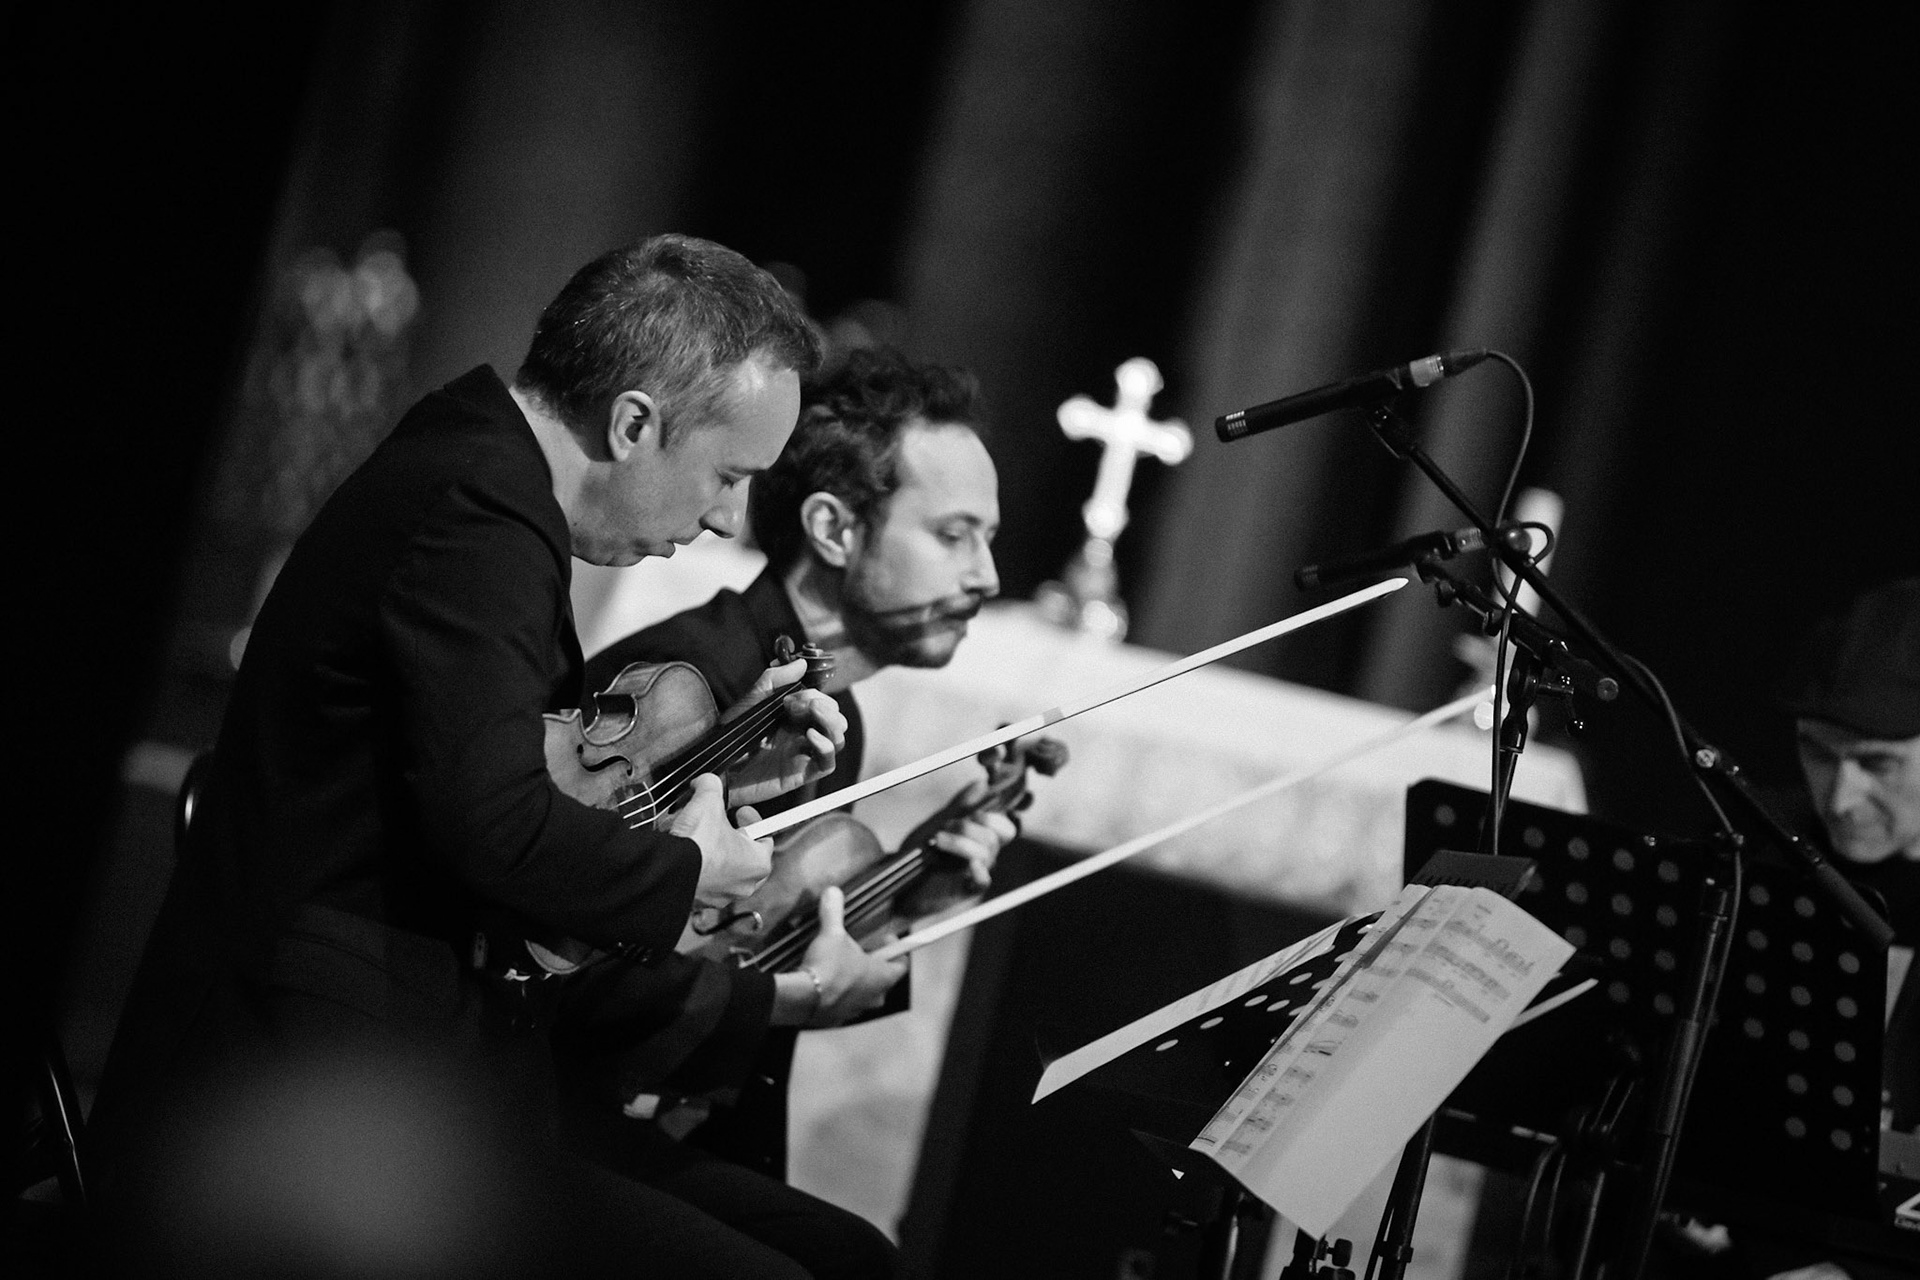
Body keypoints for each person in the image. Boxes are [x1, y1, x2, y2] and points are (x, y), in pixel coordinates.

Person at [89, 234, 869, 1279]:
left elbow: (492, 794)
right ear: (633, 424)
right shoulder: (478, 516)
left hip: (386, 1060)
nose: (728, 517)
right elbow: (494, 826)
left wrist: (726, 765)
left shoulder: (476, 471)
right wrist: (689, 871)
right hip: (293, 1092)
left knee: (833, 1256)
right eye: (729, 476)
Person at [553, 346, 1013, 1241]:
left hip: (672, 1122)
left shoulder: (834, 708)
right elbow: (574, 981)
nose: (987, 577)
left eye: (987, 540)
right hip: (551, 1120)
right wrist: (791, 1002)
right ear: (834, 529)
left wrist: (906, 898)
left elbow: (745, 943)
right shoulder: (685, 684)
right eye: (954, 536)